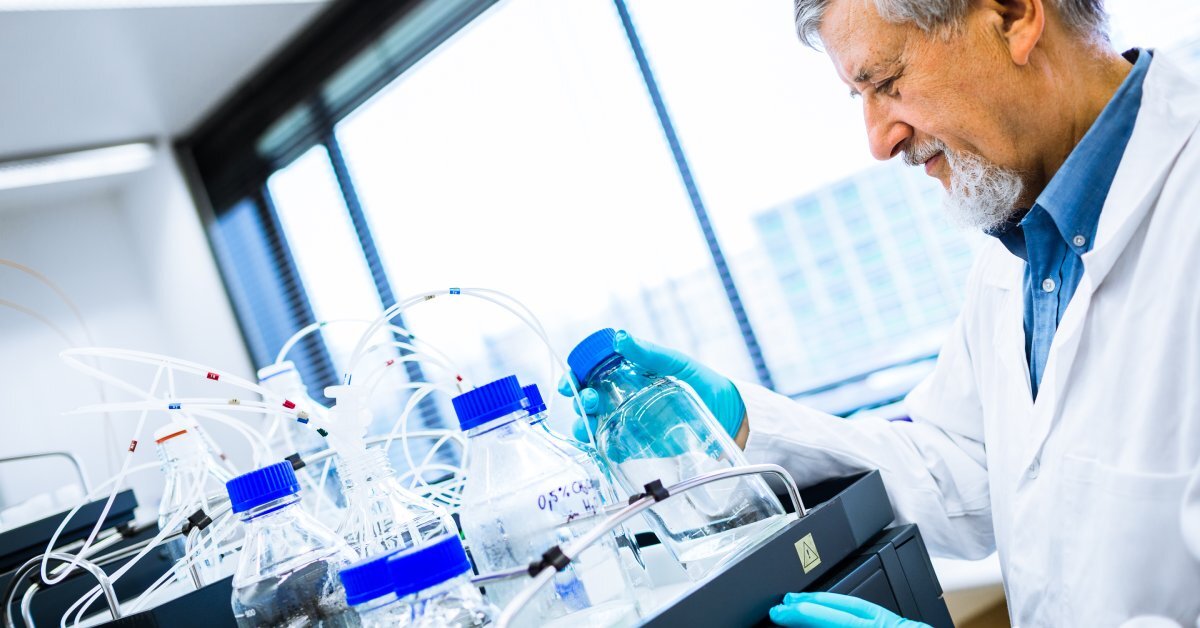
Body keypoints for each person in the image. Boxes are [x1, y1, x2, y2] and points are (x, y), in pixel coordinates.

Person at [561, 0, 1200, 625]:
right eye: (859, 97)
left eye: (888, 83)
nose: (878, 139)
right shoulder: (1021, 248)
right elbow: (959, 464)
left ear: (1013, 16)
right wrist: (738, 421)